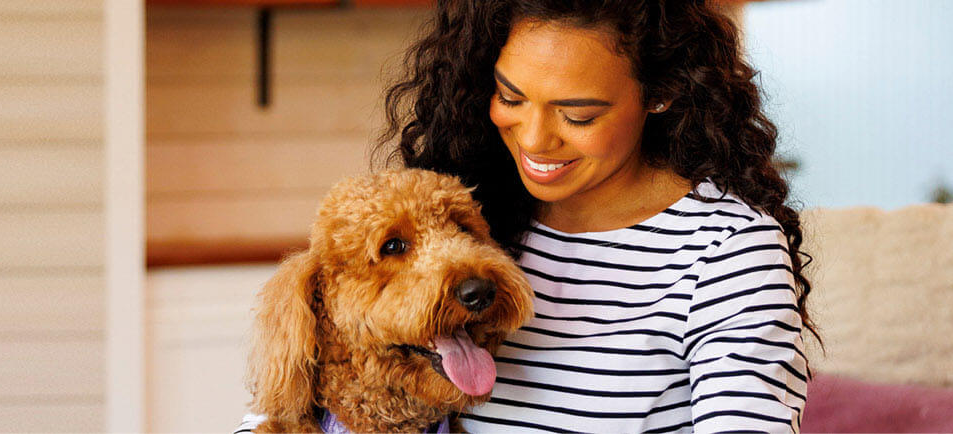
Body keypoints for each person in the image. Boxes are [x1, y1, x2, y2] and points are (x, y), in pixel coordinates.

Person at [241, 0, 819, 432]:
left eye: (579, 114)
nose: (535, 141)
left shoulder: (726, 249)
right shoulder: (474, 210)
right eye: (511, 98)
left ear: (661, 93)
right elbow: (304, 398)